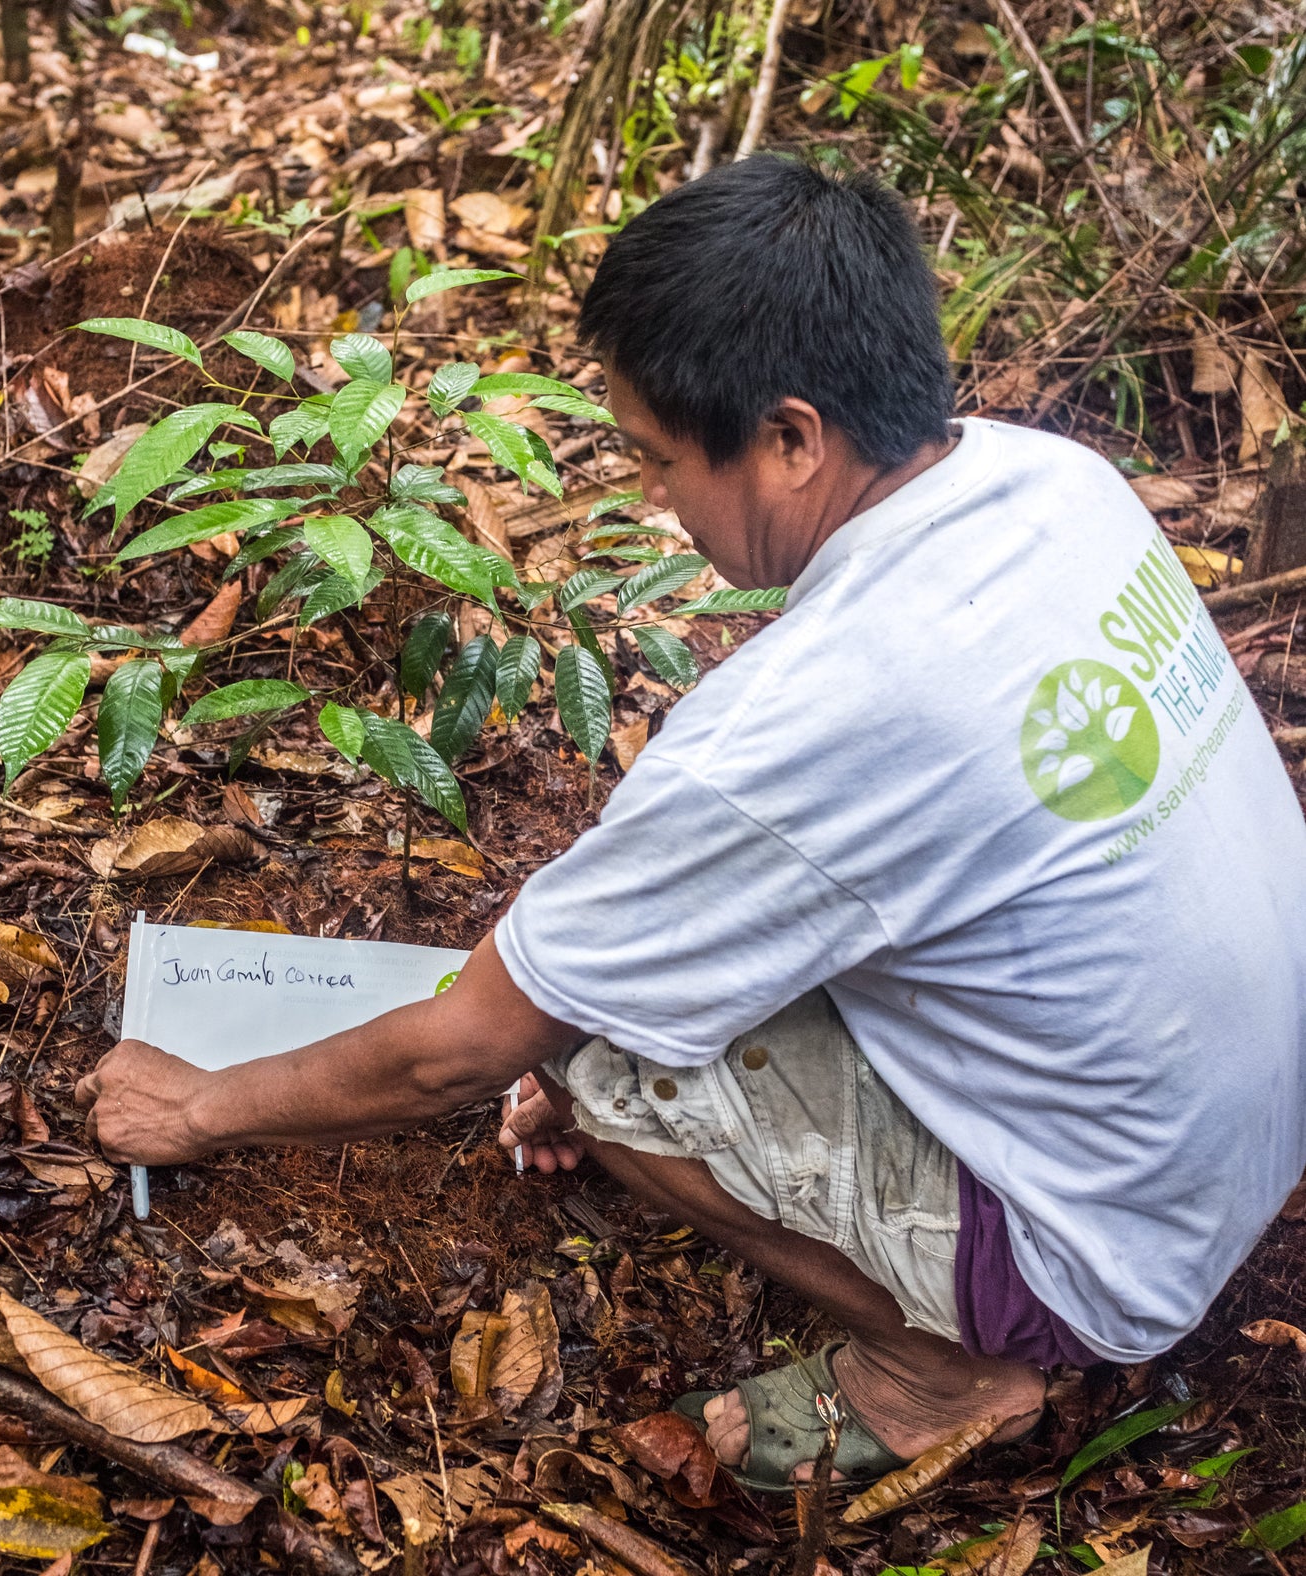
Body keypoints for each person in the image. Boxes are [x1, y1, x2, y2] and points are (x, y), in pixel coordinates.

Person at [76, 155, 1306, 1491]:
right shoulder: (1045, 479)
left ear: (787, 438)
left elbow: (467, 1048)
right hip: (1239, 1120)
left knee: (596, 1058)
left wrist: (200, 1109)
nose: (656, 496)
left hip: (1101, 1251)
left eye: (659, 460)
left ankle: (942, 1371)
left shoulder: (822, 717)